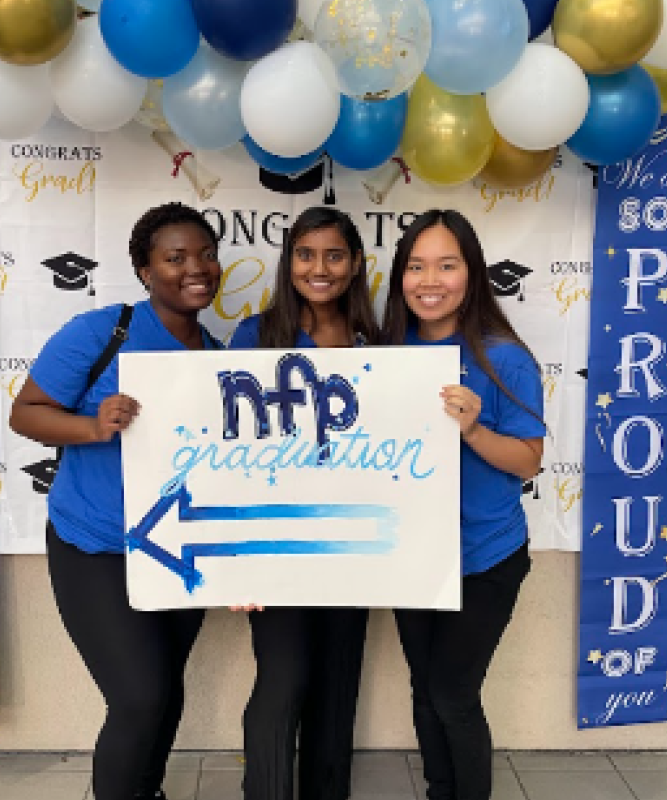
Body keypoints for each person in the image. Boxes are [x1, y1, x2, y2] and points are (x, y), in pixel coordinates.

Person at [9, 203, 222, 800]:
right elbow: (25, 413)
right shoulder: (102, 332)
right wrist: (94, 427)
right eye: (175, 258)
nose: (195, 268)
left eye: (205, 254)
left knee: (165, 690)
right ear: (144, 270)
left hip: (175, 548)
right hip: (95, 546)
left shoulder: (218, 356)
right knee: (139, 696)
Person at [381, 210, 545, 800]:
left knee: (452, 694)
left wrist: (474, 430)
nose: (431, 279)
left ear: (471, 275)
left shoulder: (505, 358)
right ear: (400, 276)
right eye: (416, 265)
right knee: (425, 691)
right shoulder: (385, 354)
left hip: (485, 558)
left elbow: (529, 461)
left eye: (447, 265)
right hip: (413, 558)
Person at [229, 206, 380, 800]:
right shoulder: (255, 336)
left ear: (356, 263)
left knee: (337, 688)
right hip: (276, 544)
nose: (319, 268)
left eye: (334, 255)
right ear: (288, 261)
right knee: (283, 681)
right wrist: (236, 557)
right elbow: (225, 457)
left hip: (356, 543)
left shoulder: (381, 340)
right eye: (305, 254)